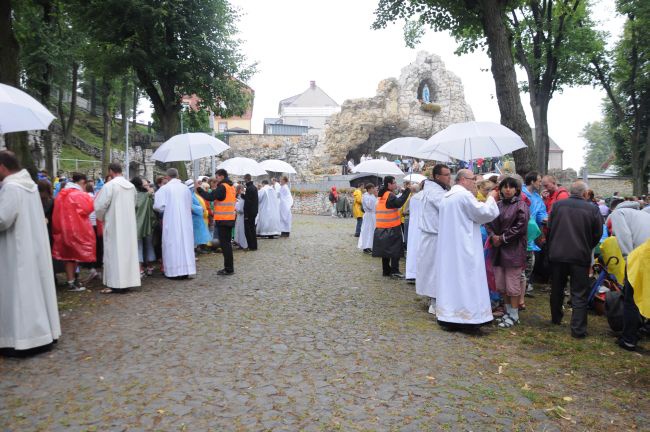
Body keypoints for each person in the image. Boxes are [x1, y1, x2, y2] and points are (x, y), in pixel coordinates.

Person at [0, 151, 61, 355]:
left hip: (17, 249)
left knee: (20, 290)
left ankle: (25, 338)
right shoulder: (31, 186)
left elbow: (3, 219)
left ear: (2, 167)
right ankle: (43, 333)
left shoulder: (11, 187)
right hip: (32, 245)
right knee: (34, 287)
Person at [434, 169, 500, 330]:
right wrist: (491, 199)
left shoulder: (447, 197)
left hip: (450, 247)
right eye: (472, 180)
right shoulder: (463, 196)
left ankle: (450, 316)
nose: (474, 183)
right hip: (464, 246)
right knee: (467, 280)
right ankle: (469, 317)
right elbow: (484, 213)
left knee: (452, 282)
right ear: (463, 180)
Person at [547, 181, 603, 338]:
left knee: (557, 288)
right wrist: (587, 246)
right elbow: (597, 233)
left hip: (558, 254)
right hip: (579, 255)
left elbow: (549, 229)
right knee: (579, 292)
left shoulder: (558, 206)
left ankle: (556, 318)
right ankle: (578, 329)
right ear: (585, 193)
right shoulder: (592, 209)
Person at [486, 177, 530, 328]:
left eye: (511, 187)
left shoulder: (521, 205)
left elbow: (521, 227)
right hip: (498, 250)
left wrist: (503, 238)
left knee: (513, 285)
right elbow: (488, 222)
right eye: (505, 187)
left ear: (517, 189)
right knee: (501, 284)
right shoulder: (497, 205)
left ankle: (514, 314)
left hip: (514, 250)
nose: (508, 189)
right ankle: (507, 311)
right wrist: (493, 237)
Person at [94, 163, 141, 293]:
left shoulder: (109, 186)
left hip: (114, 223)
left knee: (113, 252)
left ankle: (115, 283)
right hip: (129, 224)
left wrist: (102, 218)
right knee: (128, 252)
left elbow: (99, 206)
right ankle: (129, 280)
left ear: (111, 171)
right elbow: (135, 204)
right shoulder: (131, 186)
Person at [52, 172, 96, 291]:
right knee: (73, 256)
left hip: (62, 229)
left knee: (69, 256)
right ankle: (72, 282)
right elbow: (88, 208)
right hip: (75, 229)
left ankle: (72, 281)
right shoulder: (77, 194)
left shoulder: (61, 194)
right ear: (82, 182)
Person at [416, 164, 452, 314]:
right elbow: (447, 206)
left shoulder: (436, 189)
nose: (450, 178)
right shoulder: (435, 192)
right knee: (435, 269)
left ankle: (436, 299)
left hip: (435, 235)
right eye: (447, 175)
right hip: (434, 236)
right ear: (437, 176)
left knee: (435, 269)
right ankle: (435, 302)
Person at [152, 168, 195, 279]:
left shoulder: (165, 189)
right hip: (185, 221)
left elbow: (158, 206)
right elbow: (190, 204)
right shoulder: (185, 188)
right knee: (185, 244)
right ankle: (186, 270)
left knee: (172, 244)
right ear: (177, 175)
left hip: (171, 220)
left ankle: (174, 272)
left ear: (167, 176)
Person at [197, 169, 236, 275]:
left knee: (225, 245)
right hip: (230, 218)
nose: (217, 179)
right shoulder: (231, 187)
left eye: (217, 176)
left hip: (223, 220)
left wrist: (199, 190)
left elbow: (210, 197)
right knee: (227, 244)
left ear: (222, 176)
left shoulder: (223, 186)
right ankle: (229, 267)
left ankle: (228, 268)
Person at [372, 176, 412, 278]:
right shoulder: (389, 195)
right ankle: (395, 271)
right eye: (394, 183)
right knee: (395, 250)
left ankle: (386, 270)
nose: (395, 184)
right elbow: (398, 203)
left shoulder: (382, 195)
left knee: (385, 251)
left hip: (381, 226)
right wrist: (408, 191)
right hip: (392, 226)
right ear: (389, 184)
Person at [618, 239, 650, 351]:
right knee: (633, 299)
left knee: (632, 301)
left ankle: (630, 338)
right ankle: (629, 339)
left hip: (642, 257)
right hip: (642, 260)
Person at [131, 177, 156, 277]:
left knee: (140, 246)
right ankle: (147, 266)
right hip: (148, 223)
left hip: (136, 224)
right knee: (146, 245)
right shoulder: (147, 195)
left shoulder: (132, 195)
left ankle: (140, 268)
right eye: (145, 185)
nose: (147, 186)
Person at [404, 181, 424, 283]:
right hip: (421, 226)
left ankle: (411, 272)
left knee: (412, 248)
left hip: (413, 226)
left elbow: (407, 211)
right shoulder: (424, 198)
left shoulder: (413, 199)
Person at [187, 179, 211, 250]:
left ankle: (194, 250)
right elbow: (191, 206)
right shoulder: (190, 195)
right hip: (194, 218)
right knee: (193, 236)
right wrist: (201, 209)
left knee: (195, 236)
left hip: (197, 218)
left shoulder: (193, 194)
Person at [357, 183, 377, 254]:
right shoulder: (365, 196)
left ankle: (370, 246)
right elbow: (369, 206)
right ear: (369, 189)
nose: (374, 189)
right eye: (373, 188)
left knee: (372, 231)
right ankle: (365, 247)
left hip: (373, 215)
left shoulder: (372, 195)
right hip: (368, 215)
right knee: (367, 231)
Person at [243, 174, 258, 250]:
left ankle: (251, 246)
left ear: (246, 179)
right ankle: (254, 245)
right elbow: (251, 199)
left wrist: (246, 214)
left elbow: (248, 203)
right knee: (252, 229)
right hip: (254, 211)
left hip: (249, 213)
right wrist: (243, 196)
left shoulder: (249, 188)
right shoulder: (254, 188)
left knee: (248, 230)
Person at [234, 184, 248, 249]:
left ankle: (242, 243)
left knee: (241, 229)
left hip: (241, 215)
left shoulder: (242, 196)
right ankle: (239, 242)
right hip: (239, 216)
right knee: (239, 229)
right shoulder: (239, 196)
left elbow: (241, 208)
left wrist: (236, 204)